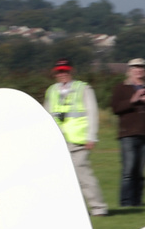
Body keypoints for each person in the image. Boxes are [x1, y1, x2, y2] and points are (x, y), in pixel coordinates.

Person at [45, 59, 107, 216]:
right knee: (61, 176)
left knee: (82, 173)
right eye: (59, 71)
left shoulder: (83, 88)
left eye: (65, 71)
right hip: (59, 141)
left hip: (79, 140)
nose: (62, 74)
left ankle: (99, 207)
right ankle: (69, 209)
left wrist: (91, 136)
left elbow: (92, 112)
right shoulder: (52, 91)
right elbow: (46, 114)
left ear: (71, 71)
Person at [109, 57, 145, 209]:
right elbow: (115, 108)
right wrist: (132, 100)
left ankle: (137, 202)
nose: (138, 70)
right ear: (129, 70)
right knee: (128, 170)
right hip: (127, 134)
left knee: (140, 171)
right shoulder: (121, 88)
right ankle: (126, 202)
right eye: (135, 68)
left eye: (141, 68)